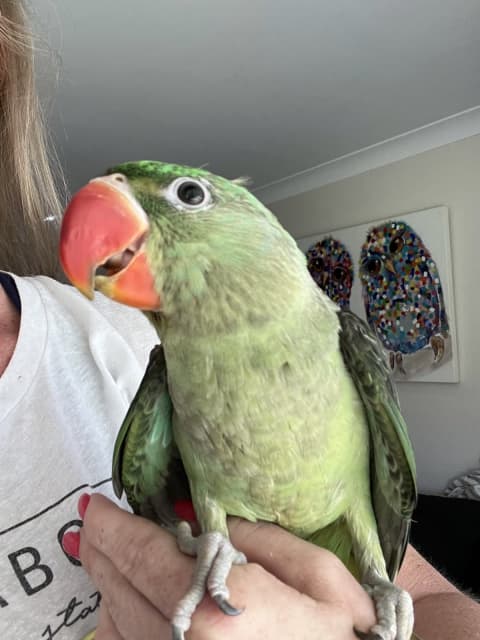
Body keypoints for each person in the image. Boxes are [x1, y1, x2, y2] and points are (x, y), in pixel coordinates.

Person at [0, 2, 479, 640]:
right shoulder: (161, 362)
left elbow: (430, 595)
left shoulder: (116, 331)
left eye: (188, 198)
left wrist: (381, 594)